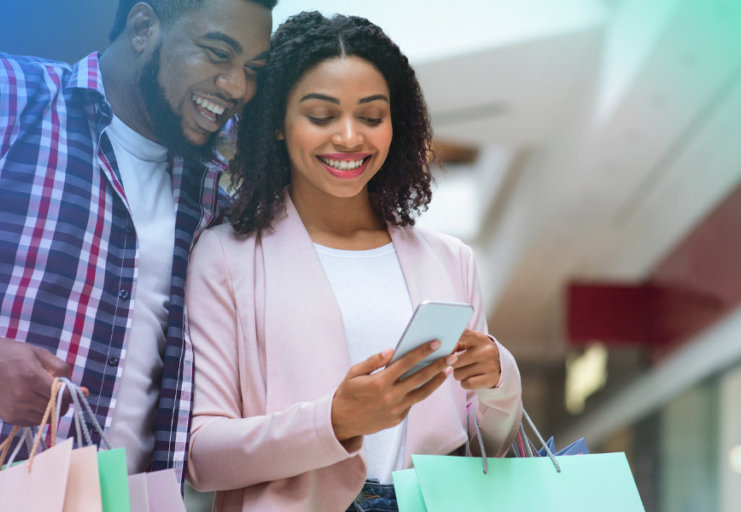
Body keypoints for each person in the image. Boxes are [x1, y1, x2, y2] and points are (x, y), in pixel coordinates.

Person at [0, 0, 273, 510]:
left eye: (252, 70)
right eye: (217, 53)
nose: (236, 87)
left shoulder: (211, 196)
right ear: (143, 27)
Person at [184, 12, 523, 512]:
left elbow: (483, 447)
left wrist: (499, 379)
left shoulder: (451, 261)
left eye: (370, 117)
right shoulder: (226, 257)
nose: (349, 138)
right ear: (278, 124)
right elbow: (202, 457)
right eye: (321, 116)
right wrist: (336, 421)